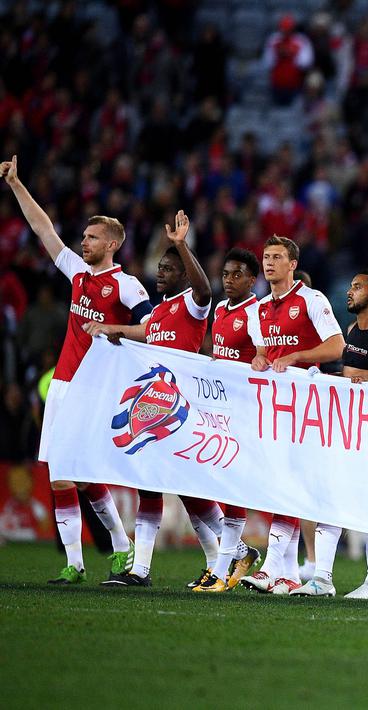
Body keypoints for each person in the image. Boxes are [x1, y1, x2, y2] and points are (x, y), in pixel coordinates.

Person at [1, 155, 150, 586]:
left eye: (92, 237)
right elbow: (42, 229)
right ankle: (85, 560)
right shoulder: (78, 274)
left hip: (95, 389)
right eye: (83, 236)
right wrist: (16, 183)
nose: (83, 242)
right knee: (64, 476)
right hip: (63, 386)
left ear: (112, 244)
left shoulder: (125, 284)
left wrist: (115, 328)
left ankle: (111, 548)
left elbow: (151, 328)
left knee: (76, 474)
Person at [85, 211, 225, 589]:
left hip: (181, 410)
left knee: (187, 487)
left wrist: (182, 246)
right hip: (155, 407)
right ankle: (149, 569)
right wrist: (113, 330)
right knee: (152, 484)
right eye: (160, 267)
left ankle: (234, 551)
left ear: (183, 274)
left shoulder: (191, 304)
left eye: (167, 268)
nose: (160, 273)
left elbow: (205, 291)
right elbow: (143, 333)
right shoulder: (159, 311)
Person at [292, 269, 368, 599]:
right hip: (346, 430)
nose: (349, 291)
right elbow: (350, 378)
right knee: (329, 500)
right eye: (351, 286)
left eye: (357, 287)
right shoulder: (349, 331)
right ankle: (322, 578)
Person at [239, 236, 344, 595]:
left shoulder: (311, 300)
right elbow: (263, 353)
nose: (269, 263)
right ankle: (287, 575)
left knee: (291, 484)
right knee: (280, 486)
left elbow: (336, 346)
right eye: (266, 257)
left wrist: (298, 357)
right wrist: (259, 358)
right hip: (273, 409)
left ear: (292, 264)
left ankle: (271, 568)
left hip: (308, 410)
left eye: (277, 257)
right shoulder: (258, 309)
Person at [193, 248, 265, 593]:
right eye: (225, 274)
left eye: (237, 275)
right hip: (216, 410)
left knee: (232, 487)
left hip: (244, 412)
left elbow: (263, 356)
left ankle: (220, 572)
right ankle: (237, 555)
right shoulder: (220, 309)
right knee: (201, 485)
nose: (229, 280)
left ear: (252, 280)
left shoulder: (256, 313)